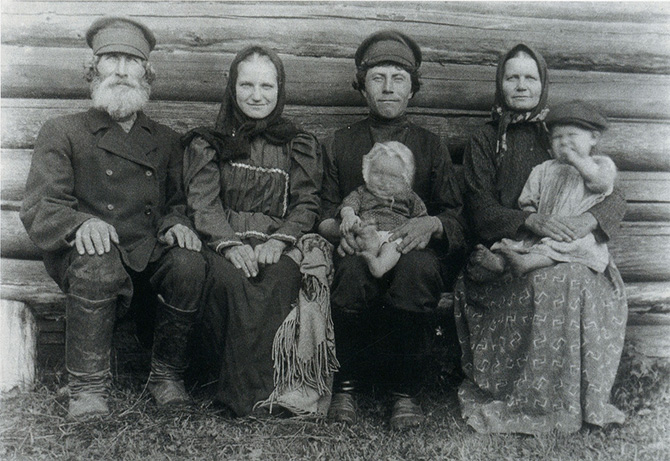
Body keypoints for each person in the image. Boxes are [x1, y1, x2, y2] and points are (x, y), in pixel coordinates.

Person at [20, 16, 206, 419]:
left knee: (190, 264)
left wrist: (178, 225)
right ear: (93, 69)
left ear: (147, 74)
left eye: (132, 60)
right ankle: (88, 389)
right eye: (111, 58)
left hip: (147, 247)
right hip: (86, 253)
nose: (121, 70)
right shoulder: (63, 131)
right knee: (98, 260)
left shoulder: (166, 139)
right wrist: (81, 223)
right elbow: (41, 204)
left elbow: (178, 202)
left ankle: (167, 377)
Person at [455, 43, 628, 434]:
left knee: (563, 279)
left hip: (572, 248)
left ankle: (564, 398)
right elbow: (481, 209)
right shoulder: (486, 139)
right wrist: (531, 221)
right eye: (511, 77)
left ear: (542, 83)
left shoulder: (560, 132)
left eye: (530, 77)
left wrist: (590, 221)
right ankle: (523, 392)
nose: (521, 85)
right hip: (518, 240)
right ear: (500, 83)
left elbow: (613, 192)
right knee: (535, 276)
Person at [320, 30, 467, 430]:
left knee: (418, 270)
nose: (387, 88)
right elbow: (325, 209)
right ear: (362, 87)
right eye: (377, 78)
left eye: (398, 78)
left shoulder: (430, 145)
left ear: (412, 90)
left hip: (414, 251)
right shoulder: (340, 143)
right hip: (358, 245)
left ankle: (406, 393)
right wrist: (342, 229)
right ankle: (345, 386)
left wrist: (433, 222)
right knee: (351, 272)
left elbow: (455, 214)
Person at [182, 45, 324, 417]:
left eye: (267, 86)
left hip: (277, 242)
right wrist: (229, 245)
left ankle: (274, 390)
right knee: (232, 282)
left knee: (278, 279)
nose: (257, 96)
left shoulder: (299, 143)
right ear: (231, 87)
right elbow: (204, 203)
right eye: (246, 85)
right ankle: (240, 396)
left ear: (280, 90)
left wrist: (279, 241)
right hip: (222, 242)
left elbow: (307, 203)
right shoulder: (208, 143)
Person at [468, 100, 617, 280]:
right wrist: (532, 216)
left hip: (573, 232)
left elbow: (600, 183)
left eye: (572, 135)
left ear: (594, 137)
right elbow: (527, 199)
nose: (564, 142)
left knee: (579, 243)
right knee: (517, 242)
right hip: (544, 229)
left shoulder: (600, 165)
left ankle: (527, 263)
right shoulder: (544, 169)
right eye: (557, 137)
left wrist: (576, 160)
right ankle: (500, 262)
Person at [321, 141, 428, 278]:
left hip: (394, 234)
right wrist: (349, 216)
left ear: (405, 179)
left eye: (393, 177)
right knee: (364, 233)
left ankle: (380, 265)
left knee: (394, 247)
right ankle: (369, 255)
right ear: (367, 173)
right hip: (370, 232)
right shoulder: (362, 192)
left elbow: (421, 218)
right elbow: (349, 205)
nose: (384, 181)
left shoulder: (409, 196)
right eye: (377, 173)